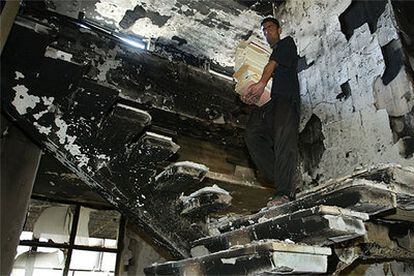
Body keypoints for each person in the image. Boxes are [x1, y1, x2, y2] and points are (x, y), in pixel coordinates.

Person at [241, 17, 300, 205]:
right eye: (264, 30)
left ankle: (284, 192)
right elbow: (268, 72)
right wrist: (251, 95)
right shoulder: (272, 54)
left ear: (279, 29)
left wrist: (260, 84)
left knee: (284, 141)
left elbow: (272, 65)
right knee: (252, 134)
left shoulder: (287, 44)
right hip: (273, 102)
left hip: (287, 100)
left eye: (270, 28)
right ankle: (285, 178)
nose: (267, 32)